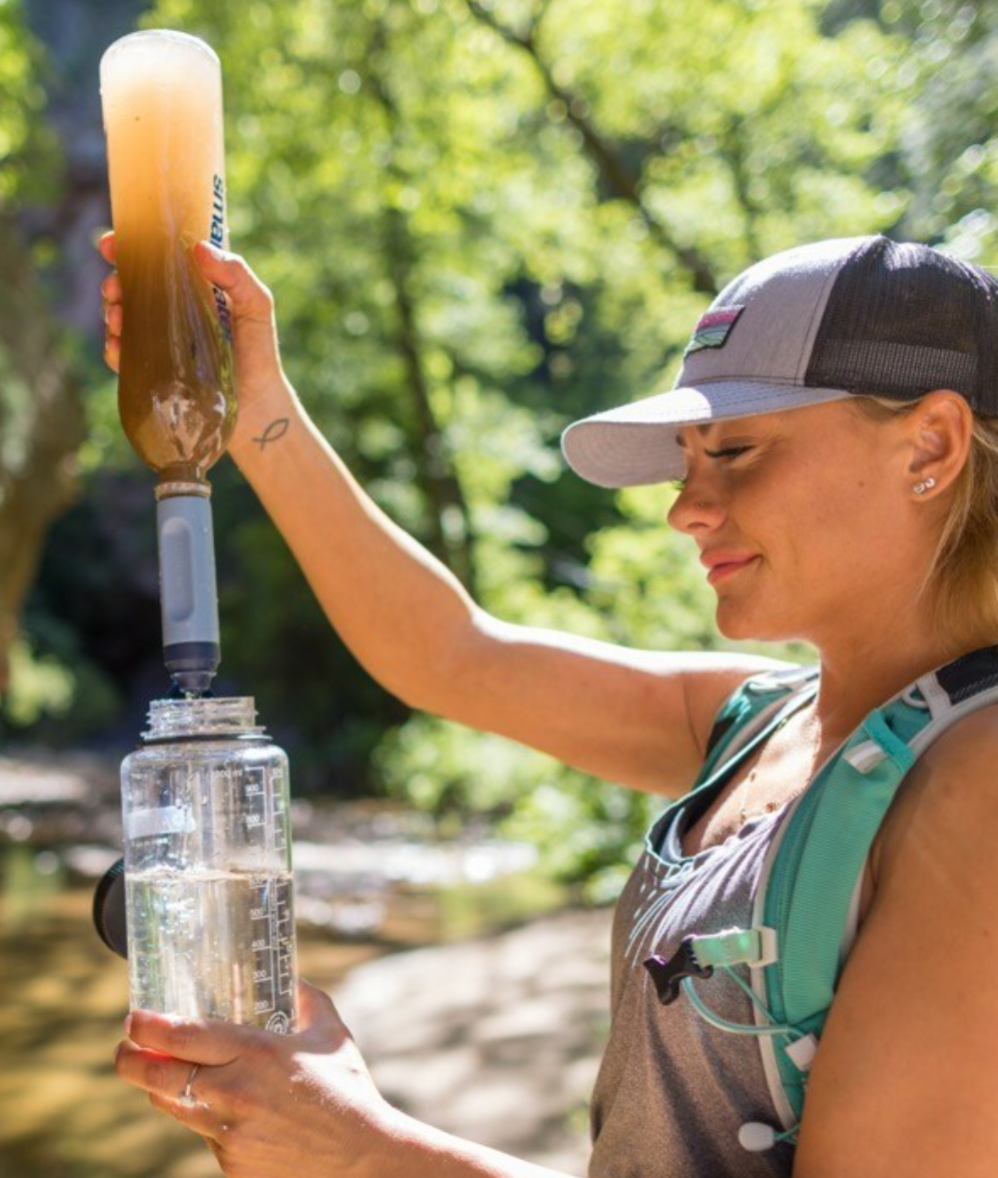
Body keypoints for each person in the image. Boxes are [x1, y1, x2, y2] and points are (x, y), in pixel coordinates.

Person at [99, 232, 998, 1178]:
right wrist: (259, 413)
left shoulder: (975, 786)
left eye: (734, 450)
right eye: (687, 459)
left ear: (929, 444)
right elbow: (453, 655)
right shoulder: (757, 721)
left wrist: (361, 1150)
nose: (685, 507)